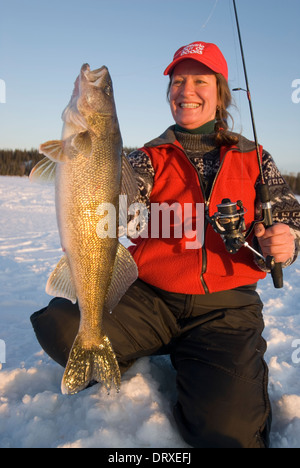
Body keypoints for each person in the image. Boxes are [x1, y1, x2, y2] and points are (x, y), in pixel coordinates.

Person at [31, 41, 300, 448]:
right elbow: (120, 205)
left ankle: (206, 374)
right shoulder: (146, 158)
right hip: (150, 299)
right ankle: (136, 350)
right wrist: (97, 182)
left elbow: (289, 216)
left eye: (199, 80)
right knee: (62, 326)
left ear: (220, 91)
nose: (186, 90)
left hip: (224, 310)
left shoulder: (254, 157)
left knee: (229, 431)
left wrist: (287, 238)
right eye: (178, 81)